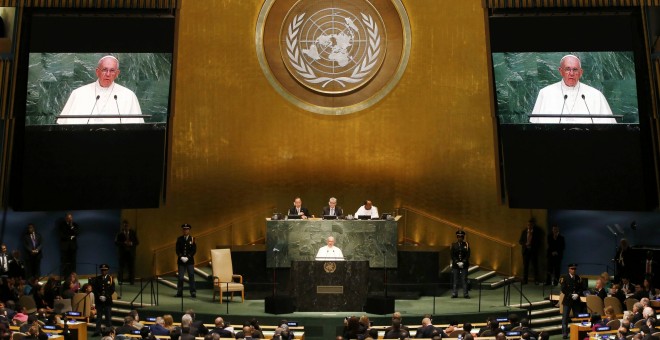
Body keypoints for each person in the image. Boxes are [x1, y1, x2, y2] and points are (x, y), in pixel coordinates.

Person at [529, 54, 616, 124]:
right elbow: (535, 126)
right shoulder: (545, 93)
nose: (571, 73)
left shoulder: (596, 95)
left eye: (575, 69)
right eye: (567, 69)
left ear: (581, 72)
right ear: (560, 71)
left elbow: (608, 126)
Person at [58, 55, 143, 124]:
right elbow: (64, 125)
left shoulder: (128, 96)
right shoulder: (79, 93)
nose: (108, 74)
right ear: (97, 72)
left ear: (117, 73)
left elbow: (136, 126)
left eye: (112, 70)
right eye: (105, 70)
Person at [560, 263, 585, 339]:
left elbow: (582, 288)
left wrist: (577, 294)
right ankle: (565, 333)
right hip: (567, 300)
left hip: (576, 301)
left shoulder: (578, 278)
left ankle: (577, 331)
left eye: (575, 269)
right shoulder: (564, 278)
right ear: (569, 269)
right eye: (572, 269)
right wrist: (571, 295)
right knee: (565, 318)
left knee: (577, 317)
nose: (574, 270)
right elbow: (563, 289)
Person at [93, 264, 115, 336]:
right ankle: (97, 331)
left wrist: (106, 296)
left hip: (107, 301)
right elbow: (95, 289)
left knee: (108, 317)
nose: (103, 271)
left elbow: (112, 289)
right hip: (99, 301)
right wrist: (99, 296)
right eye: (102, 270)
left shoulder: (110, 278)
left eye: (105, 270)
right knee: (99, 317)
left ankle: (109, 332)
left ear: (107, 270)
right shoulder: (97, 279)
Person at [518, 219, 543, 284]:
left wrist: (531, 244)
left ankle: (536, 280)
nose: (529, 226)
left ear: (533, 225)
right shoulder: (524, 232)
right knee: (525, 266)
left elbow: (539, 242)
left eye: (530, 225)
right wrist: (525, 244)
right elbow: (520, 241)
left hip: (533, 252)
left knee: (535, 266)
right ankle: (525, 280)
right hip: (525, 252)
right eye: (528, 225)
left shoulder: (536, 232)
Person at [115, 220, 139, 285]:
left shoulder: (133, 233)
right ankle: (120, 280)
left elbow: (137, 242)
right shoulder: (120, 234)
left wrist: (131, 243)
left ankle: (132, 281)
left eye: (127, 226)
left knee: (131, 267)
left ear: (129, 226)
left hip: (131, 253)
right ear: (123, 226)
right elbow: (116, 242)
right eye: (125, 226)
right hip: (122, 254)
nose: (126, 227)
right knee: (121, 268)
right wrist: (123, 243)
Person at [175, 224, 196, 298]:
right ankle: (179, 292)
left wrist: (188, 257)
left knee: (191, 276)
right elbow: (177, 250)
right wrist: (181, 257)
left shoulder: (192, 239)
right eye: (184, 229)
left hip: (189, 261)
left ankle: (193, 292)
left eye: (187, 229)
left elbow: (194, 250)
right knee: (180, 277)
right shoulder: (179, 239)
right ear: (182, 230)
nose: (185, 230)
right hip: (181, 261)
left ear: (189, 230)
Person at [58, 212, 79, 278]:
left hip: (73, 247)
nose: (70, 219)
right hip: (65, 247)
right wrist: (70, 237)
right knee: (65, 262)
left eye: (71, 218)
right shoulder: (62, 225)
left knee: (73, 262)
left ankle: (73, 276)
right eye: (68, 218)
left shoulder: (75, 225)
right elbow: (61, 235)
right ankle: (66, 276)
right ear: (66, 218)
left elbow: (77, 233)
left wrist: (72, 227)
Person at [451, 230, 471, 299]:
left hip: (464, 265)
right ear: (457, 237)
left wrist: (463, 262)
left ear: (463, 237)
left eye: (461, 237)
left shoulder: (466, 244)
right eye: (459, 236)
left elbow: (468, 254)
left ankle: (465, 294)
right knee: (455, 279)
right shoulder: (454, 245)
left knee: (464, 279)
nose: (460, 238)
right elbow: (452, 255)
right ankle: (454, 293)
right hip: (456, 265)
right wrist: (457, 262)